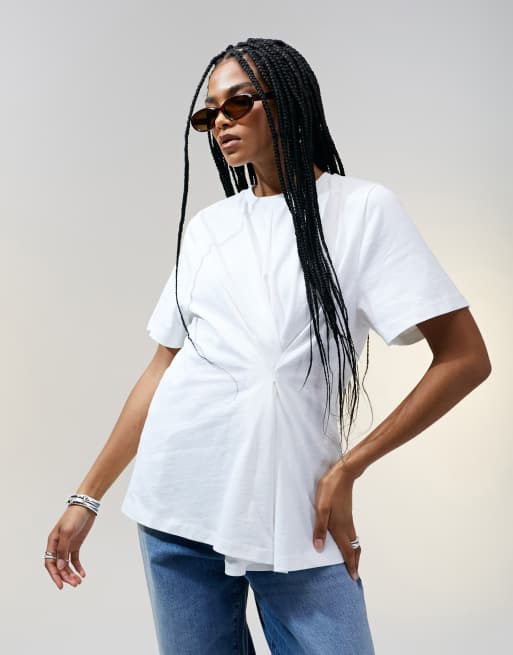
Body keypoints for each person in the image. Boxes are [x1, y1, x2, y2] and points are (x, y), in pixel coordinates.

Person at [44, 38, 491, 654]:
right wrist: (86, 497)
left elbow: (465, 359)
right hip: (178, 504)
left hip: (295, 512)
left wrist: (349, 468)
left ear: (289, 101)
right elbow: (161, 370)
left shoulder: (362, 210)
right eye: (209, 113)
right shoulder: (210, 228)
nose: (220, 122)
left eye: (239, 103)